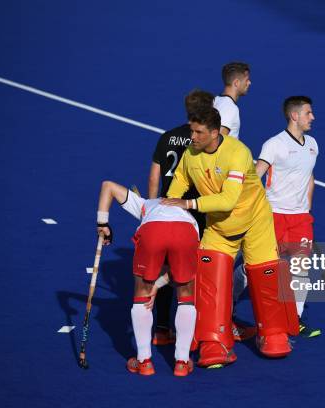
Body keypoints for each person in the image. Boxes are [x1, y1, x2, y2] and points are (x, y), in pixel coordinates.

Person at [162, 105, 299, 368]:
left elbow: (228, 200)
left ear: (214, 133)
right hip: (220, 229)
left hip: (255, 222)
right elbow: (180, 180)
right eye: (192, 130)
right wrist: (167, 204)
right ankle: (214, 340)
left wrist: (188, 205)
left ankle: (273, 333)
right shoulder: (191, 154)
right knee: (209, 276)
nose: (192, 136)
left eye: (198, 132)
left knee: (265, 273)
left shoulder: (237, 153)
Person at [96, 180, 199, 377]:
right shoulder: (189, 213)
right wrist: (159, 284)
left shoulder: (145, 204)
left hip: (152, 231)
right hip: (186, 232)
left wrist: (103, 224)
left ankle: (144, 362)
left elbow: (107, 186)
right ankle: (182, 363)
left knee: (141, 295)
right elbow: (174, 270)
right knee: (186, 294)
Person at [147, 90, 212, 346]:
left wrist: (151, 208)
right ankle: (195, 332)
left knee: (165, 269)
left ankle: (161, 329)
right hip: (193, 211)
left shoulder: (167, 137)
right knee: (193, 271)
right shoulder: (201, 140)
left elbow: (154, 176)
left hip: (165, 209)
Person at [254, 96, 321, 338]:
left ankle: (295, 319)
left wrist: (307, 208)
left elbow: (310, 177)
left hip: (301, 219)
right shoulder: (274, 144)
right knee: (263, 267)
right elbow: (255, 176)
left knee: (302, 269)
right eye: (308, 113)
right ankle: (228, 306)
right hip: (273, 216)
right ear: (294, 116)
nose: (312, 117)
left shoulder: (313, 144)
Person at [213, 61, 251, 138]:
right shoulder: (229, 108)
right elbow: (217, 141)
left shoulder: (215, 100)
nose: (249, 83)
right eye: (247, 80)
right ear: (236, 83)